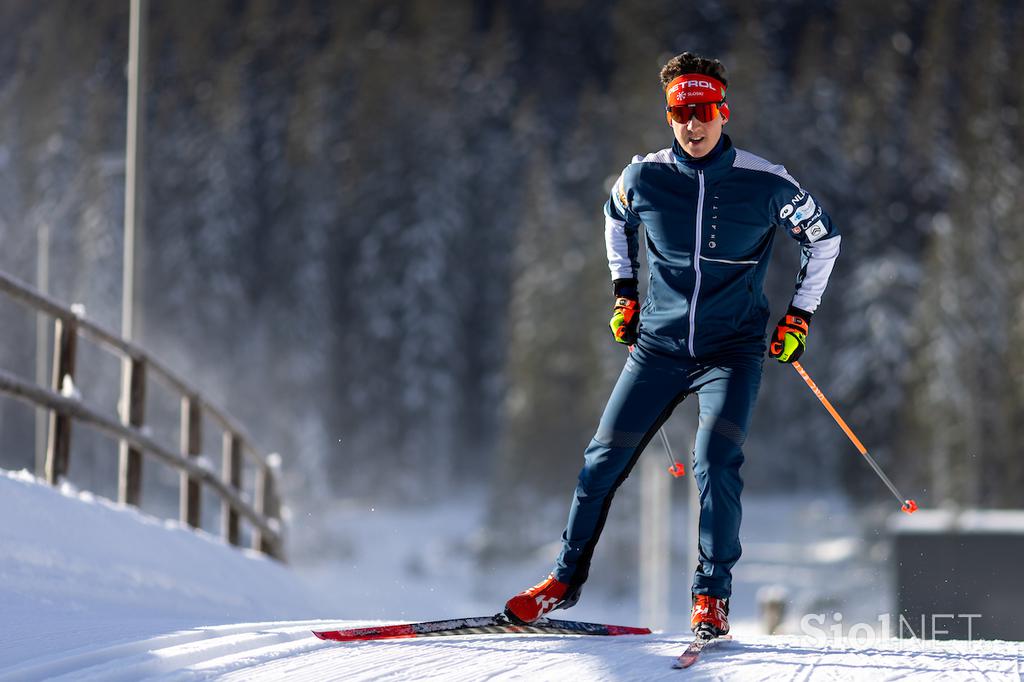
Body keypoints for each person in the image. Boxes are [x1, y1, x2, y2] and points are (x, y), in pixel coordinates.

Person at [503, 51, 841, 638]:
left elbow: (825, 241)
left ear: (723, 112)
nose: (693, 124)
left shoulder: (768, 183)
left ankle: (711, 598)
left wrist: (799, 318)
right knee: (599, 463)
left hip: (730, 354)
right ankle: (563, 580)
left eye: (704, 110)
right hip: (657, 350)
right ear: (669, 117)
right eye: (682, 112)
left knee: (715, 462)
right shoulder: (644, 177)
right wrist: (624, 292)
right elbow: (613, 221)